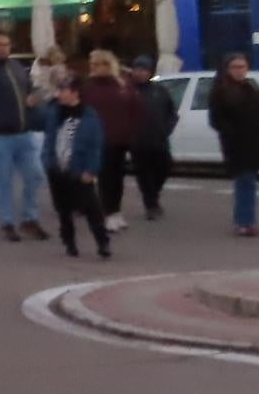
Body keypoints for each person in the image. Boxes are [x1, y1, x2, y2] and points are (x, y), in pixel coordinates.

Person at [0, 31, 50, 243]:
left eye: (6, 44)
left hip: (23, 133)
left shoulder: (16, 67)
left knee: (35, 175)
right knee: (4, 180)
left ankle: (29, 218)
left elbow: (30, 88)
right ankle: (7, 222)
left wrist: (34, 97)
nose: (3, 48)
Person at [207, 53, 259, 236]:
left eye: (242, 66)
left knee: (249, 183)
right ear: (227, 69)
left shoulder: (251, 87)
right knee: (245, 182)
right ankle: (244, 222)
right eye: (235, 67)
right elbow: (216, 120)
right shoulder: (221, 91)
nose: (240, 70)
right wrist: (233, 133)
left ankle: (246, 221)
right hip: (237, 145)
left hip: (255, 143)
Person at [39, 70, 111, 259]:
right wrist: (48, 162)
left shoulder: (89, 116)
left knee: (91, 208)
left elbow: (95, 145)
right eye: (60, 90)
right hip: (57, 168)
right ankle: (69, 242)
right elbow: (46, 135)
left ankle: (102, 242)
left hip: (79, 169)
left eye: (65, 90)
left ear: (76, 92)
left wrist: (91, 170)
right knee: (63, 209)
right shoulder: (54, 113)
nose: (61, 94)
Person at [77, 49, 142, 232]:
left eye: (97, 64)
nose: (94, 68)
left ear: (108, 65)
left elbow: (135, 108)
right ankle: (108, 213)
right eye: (92, 65)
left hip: (120, 139)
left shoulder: (123, 85)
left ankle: (116, 211)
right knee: (105, 177)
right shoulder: (87, 87)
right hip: (98, 140)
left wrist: (132, 131)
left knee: (117, 177)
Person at [126, 57, 177, 220]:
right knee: (144, 174)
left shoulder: (159, 90)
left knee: (164, 167)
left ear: (150, 72)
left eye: (144, 70)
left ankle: (153, 194)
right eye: (137, 69)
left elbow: (172, 113)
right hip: (137, 142)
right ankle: (151, 205)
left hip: (159, 139)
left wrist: (166, 129)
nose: (140, 73)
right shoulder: (127, 91)